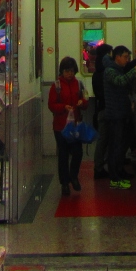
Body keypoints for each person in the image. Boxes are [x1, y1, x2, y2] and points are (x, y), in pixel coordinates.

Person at [102, 45, 136, 188]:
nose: (127, 60)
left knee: (121, 146)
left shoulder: (119, 69)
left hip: (122, 113)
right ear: (117, 57)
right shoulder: (110, 71)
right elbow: (120, 81)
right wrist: (134, 70)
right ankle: (114, 178)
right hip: (114, 115)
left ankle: (119, 171)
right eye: (125, 57)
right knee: (115, 146)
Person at [47, 56, 88, 199]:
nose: (69, 74)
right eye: (66, 71)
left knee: (78, 152)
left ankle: (73, 176)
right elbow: (51, 105)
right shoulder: (56, 86)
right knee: (63, 154)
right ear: (62, 71)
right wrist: (63, 107)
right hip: (60, 126)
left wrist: (82, 102)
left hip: (75, 125)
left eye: (71, 71)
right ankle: (64, 183)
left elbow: (85, 101)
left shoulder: (79, 84)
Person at [90, 43, 112, 179]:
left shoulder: (96, 73)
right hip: (106, 109)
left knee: (103, 140)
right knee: (104, 140)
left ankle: (100, 166)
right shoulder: (105, 73)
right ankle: (99, 167)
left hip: (101, 109)